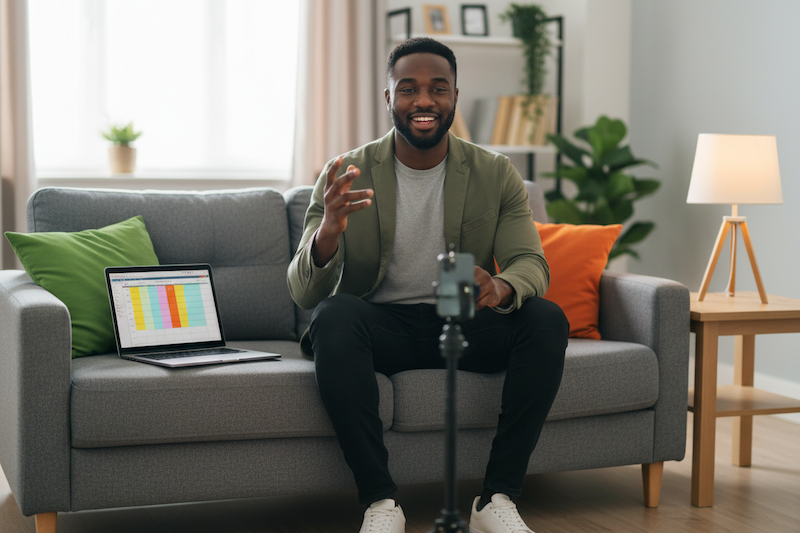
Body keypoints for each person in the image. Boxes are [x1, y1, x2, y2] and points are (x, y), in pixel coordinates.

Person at [287, 37, 569, 533]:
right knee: (334, 316)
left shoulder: (495, 172)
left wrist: (500, 287)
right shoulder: (345, 173)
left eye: (438, 89)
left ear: (455, 97)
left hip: (461, 319)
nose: (423, 101)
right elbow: (304, 293)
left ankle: (496, 498)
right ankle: (380, 504)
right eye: (409, 89)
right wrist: (328, 231)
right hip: (383, 328)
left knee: (546, 319)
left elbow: (531, 264)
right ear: (389, 97)